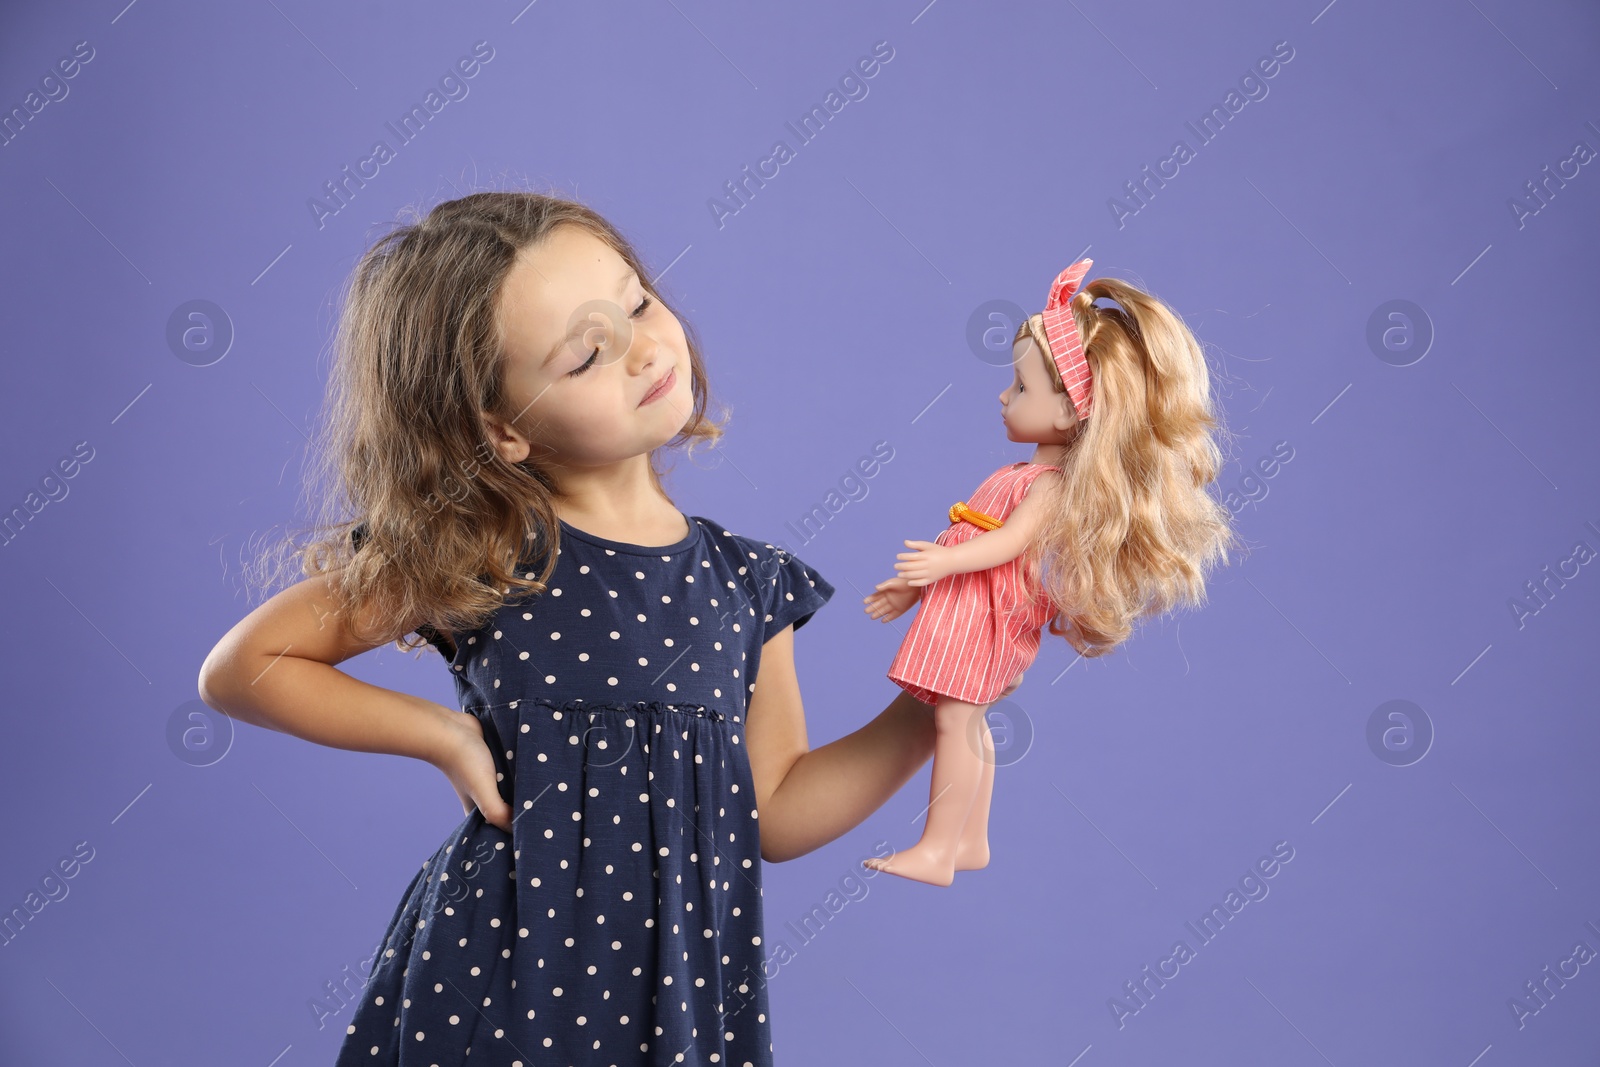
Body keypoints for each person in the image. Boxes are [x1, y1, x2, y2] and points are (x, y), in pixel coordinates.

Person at [197, 190, 949, 1065]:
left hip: (681, 1005)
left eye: (636, 301)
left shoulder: (748, 582)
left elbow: (773, 813)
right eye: (588, 353)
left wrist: (934, 702)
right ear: (500, 429)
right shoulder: (487, 551)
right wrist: (438, 733)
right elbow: (243, 665)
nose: (641, 348)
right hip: (502, 990)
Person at [863, 259, 1241, 886]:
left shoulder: (1047, 484)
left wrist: (943, 561)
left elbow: (1003, 544)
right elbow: (976, 531)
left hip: (985, 620)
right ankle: (970, 841)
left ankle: (936, 847)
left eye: (1020, 387)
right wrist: (916, 585)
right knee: (969, 722)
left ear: (1068, 411)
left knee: (956, 722)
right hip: (977, 612)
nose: (1004, 396)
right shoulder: (1027, 476)